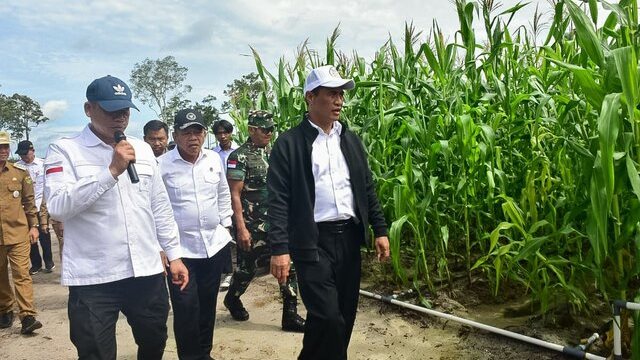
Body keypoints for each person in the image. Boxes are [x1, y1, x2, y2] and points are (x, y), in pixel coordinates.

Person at [43, 75, 189, 360]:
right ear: (89, 109)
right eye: (110, 111)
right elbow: (58, 206)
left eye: (124, 111)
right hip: (94, 276)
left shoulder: (143, 149)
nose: (119, 119)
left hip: (144, 271)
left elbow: (159, 206)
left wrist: (175, 255)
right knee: (95, 351)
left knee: (155, 337)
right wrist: (110, 171)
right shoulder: (65, 150)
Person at [267, 65, 391, 359]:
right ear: (310, 96)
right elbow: (278, 199)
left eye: (341, 94)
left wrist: (380, 229)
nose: (339, 100)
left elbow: (366, 187)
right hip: (312, 242)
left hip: (348, 238)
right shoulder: (290, 144)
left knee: (343, 317)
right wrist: (279, 248)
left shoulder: (349, 139)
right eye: (332, 94)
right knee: (328, 317)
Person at [157, 108, 233, 359]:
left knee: (207, 305)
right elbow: (154, 208)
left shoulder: (212, 160)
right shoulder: (162, 166)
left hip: (212, 245)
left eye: (198, 131)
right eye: (186, 132)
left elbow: (223, 193)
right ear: (176, 135)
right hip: (181, 252)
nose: (193, 138)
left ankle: (204, 353)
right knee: (186, 308)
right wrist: (162, 248)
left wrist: (226, 224)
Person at [223, 110, 305, 332]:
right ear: (251, 129)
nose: (269, 133)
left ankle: (290, 314)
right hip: (253, 225)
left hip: (278, 223)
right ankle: (232, 298)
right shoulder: (238, 157)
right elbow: (234, 195)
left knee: (288, 266)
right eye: (264, 129)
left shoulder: (274, 152)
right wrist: (240, 228)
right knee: (246, 270)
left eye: (272, 129)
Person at [0, 131, 43, 334]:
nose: (4, 151)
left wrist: (34, 226)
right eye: (0, 147)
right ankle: (5, 309)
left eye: (6, 147)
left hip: (18, 233)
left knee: (22, 274)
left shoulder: (19, 173)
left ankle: (27, 316)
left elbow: (28, 202)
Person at [15, 140, 55, 275]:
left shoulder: (43, 165)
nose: (23, 157)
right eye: (21, 155)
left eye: (25, 153)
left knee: (44, 235)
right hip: (25, 208)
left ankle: (49, 261)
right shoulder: (17, 167)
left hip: (41, 205)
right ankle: (36, 264)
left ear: (32, 150)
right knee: (30, 238)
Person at [212, 119, 239, 291]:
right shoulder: (212, 154)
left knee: (239, 228)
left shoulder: (239, 151)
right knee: (224, 232)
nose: (222, 136)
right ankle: (228, 270)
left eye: (225, 132)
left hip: (237, 195)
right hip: (220, 197)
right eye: (219, 133)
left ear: (230, 133)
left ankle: (242, 266)